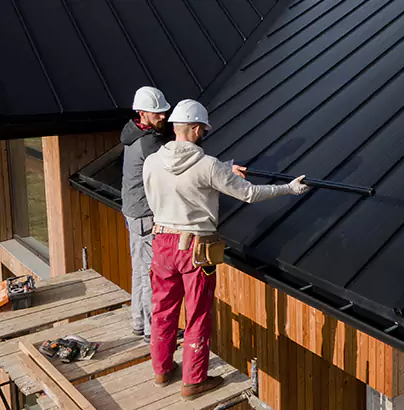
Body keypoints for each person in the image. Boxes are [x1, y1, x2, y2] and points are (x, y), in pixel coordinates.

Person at [143, 99, 311, 399]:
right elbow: (248, 193)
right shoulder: (207, 166)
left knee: (163, 310)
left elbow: (178, 181)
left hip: (161, 243)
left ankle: (162, 370)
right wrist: (289, 188)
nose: (204, 134)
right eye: (203, 130)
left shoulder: (152, 161)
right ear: (195, 129)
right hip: (194, 248)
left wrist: (223, 169)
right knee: (196, 314)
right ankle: (193, 381)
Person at [121, 86, 176, 343]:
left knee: (139, 268)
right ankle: (151, 331)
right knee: (148, 272)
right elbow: (173, 164)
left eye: (164, 112)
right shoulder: (148, 142)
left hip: (134, 211)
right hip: (143, 214)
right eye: (158, 113)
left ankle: (138, 321)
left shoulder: (133, 133)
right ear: (142, 113)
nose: (164, 117)